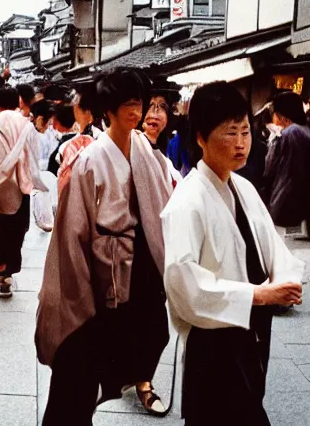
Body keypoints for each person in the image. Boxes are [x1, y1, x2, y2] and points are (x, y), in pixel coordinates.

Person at [162, 82, 305, 426]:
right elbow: (183, 282)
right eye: (230, 132)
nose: (241, 143)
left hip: (252, 329)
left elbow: (272, 245)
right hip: (214, 339)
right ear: (200, 138)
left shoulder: (243, 187)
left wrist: (285, 280)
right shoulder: (187, 201)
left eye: (245, 131)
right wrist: (257, 294)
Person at [36, 69, 173, 424]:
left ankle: (128, 384)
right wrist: (78, 294)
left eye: (138, 102)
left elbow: (164, 199)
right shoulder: (90, 159)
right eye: (126, 103)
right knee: (77, 369)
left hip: (140, 268)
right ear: (107, 109)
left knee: (149, 339)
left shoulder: (144, 147)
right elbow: (73, 233)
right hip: (100, 276)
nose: (135, 110)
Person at [0, 85, 43, 297]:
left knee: (2, 231)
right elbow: (36, 153)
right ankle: (6, 274)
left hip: (1, 185)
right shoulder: (26, 123)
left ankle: (1, 271)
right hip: (23, 185)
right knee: (17, 231)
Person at [262, 91, 310, 229]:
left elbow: (269, 168)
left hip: (285, 202)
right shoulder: (305, 131)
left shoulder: (288, 133)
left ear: (282, 117)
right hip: (301, 204)